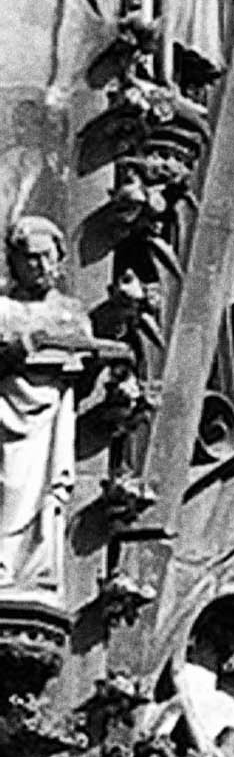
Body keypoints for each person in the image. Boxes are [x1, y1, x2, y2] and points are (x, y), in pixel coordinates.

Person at [0, 216, 92, 599]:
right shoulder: (3, 309)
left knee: (45, 493)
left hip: (50, 418)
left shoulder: (69, 311)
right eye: (30, 259)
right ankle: (5, 566)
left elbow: (86, 349)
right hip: (7, 411)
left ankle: (37, 568)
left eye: (47, 258)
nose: (39, 267)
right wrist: (24, 345)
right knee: (10, 486)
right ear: (14, 263)